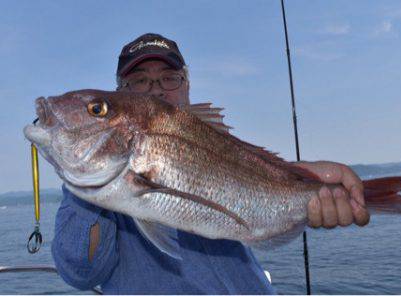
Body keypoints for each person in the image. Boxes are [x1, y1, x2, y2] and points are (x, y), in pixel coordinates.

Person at [52, 33, 370, 294]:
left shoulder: (213, 141)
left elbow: (250, 179)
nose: (157, 88)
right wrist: (87, 186)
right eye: (140, 81)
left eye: (169, 78)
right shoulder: (93, 188)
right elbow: (80, 272)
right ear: (122, 91)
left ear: (186, 86)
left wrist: (307, 178)